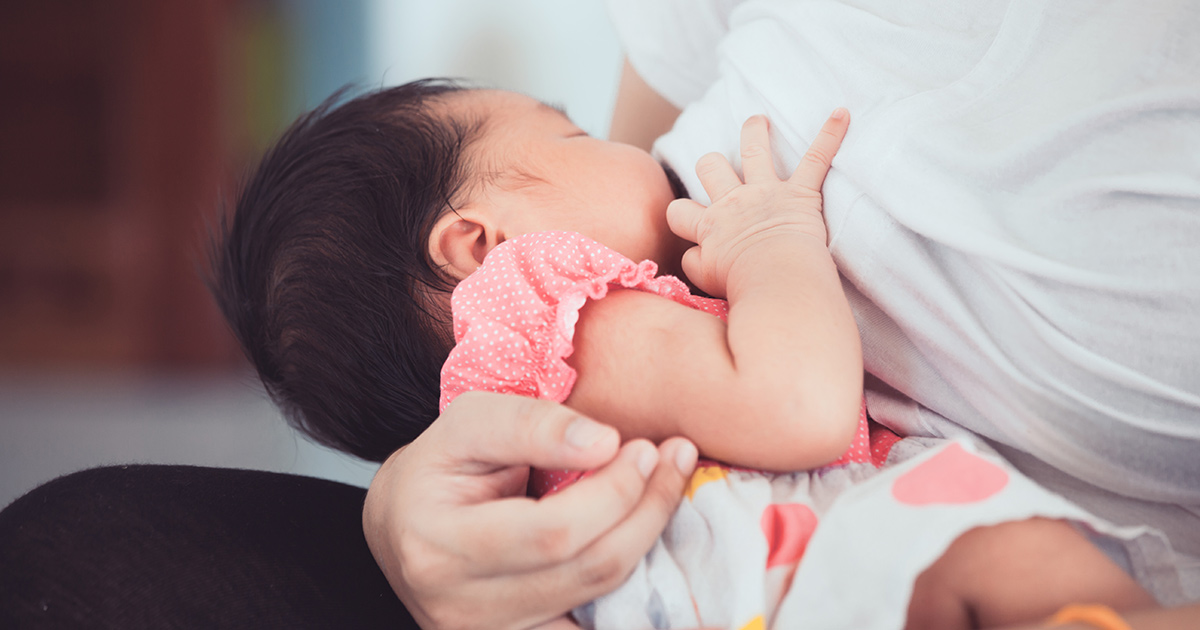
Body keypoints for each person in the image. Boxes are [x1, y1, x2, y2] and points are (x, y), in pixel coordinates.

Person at [365, 0, 1200, 627]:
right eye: (574, 136)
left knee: (1019, 568)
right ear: (477, 245)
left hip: (830, 559)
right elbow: (795, 407)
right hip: (812, 564)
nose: (625, 147)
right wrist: (773, 243)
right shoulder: (537, 297)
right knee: (1008, 563)